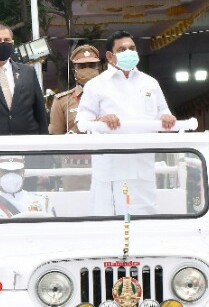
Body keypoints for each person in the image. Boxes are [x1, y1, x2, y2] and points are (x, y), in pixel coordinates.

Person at [76, 31, 176, 216]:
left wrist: (167, 119)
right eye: (122, 50)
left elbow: (164, 113)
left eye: (132, 48)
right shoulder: (96, 85)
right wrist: (100, 120)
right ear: (109, 56)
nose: (128, 53)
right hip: (110, 171)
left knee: (144, 223)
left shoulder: (150, 83)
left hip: (142, 167)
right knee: (109, 227)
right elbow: (82, 122)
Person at [48, 44, 102, 135]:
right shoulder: (61, 101)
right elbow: (55, 138)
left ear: (99, 68)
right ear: (74, 71)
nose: (87, 70)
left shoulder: (111, 96)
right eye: (82, 66)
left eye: (92, 66)